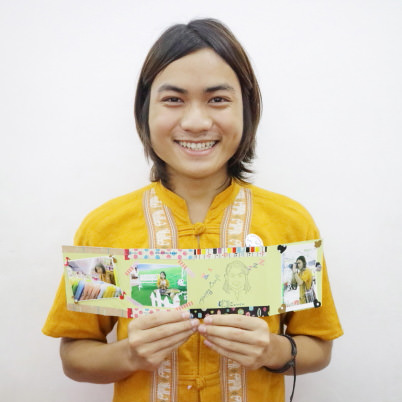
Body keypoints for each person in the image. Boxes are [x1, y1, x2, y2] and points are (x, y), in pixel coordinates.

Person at [43, 18, 343, 402]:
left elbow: (319, 348)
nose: (197, 121)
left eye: (218, 99)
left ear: (247, 109)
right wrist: (129, 353)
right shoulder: (104, 228)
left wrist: (273, 350)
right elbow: (74, 357)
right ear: (144, 112)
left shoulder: (290, 223)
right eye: (173, 99)